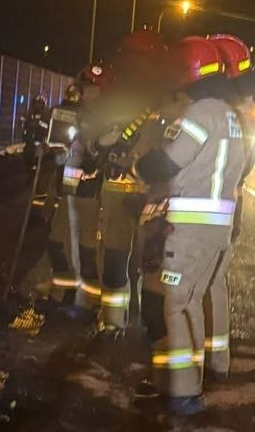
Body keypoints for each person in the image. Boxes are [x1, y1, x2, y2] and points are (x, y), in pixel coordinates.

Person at [132, 36, 248, 416]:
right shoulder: (231, 115)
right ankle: (194, 382)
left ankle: (183, 395)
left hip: (190, 229)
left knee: (177, 305)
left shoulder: (200, 114)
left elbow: (168, 163)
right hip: (218, 227)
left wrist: (139, 167)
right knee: (193, 301)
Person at [94, 29, 168, 335]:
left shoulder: (128, 98)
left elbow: (102, 143)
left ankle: (115, 323)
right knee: (146, 264)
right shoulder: (166, 99)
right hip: (148, 196)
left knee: (122, 260)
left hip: (133, 194)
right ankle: (142, 324)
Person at [202, 34, 255, 380]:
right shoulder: (239, 109)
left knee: (205, 282)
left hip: (216, 208)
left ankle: (211, 363)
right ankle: (216, 357)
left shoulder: (229, 112)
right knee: (214, 281)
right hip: (226, 205)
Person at [69, 62, 115, 311]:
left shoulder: (106, 117)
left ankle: (90, 303)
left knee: (88, 247)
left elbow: (98, 150)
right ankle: (74, 297)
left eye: (89, 88)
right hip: (73, 190)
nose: (84, 92)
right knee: (70, 243)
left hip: (91, 191)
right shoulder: (78, 113)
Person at [41, 84, 84, 306]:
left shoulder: (83, 118)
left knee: (65, 240)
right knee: (59, 238)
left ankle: (67, 294)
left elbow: (73, 156)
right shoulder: (61, 113)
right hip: (65, 180)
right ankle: (63, 290)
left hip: (72, 186)